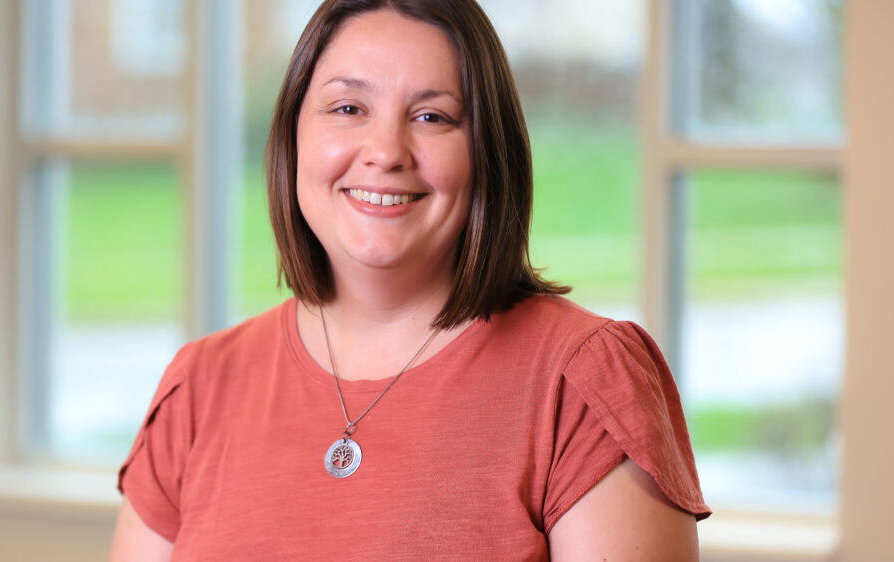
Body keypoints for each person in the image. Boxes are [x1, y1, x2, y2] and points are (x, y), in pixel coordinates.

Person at [109, 0, 710, 560]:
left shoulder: (584, 382)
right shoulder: (199, 386)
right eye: (348, 109)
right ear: (295, 134)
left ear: (487, 153)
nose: (386, 151)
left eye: (432, 116)